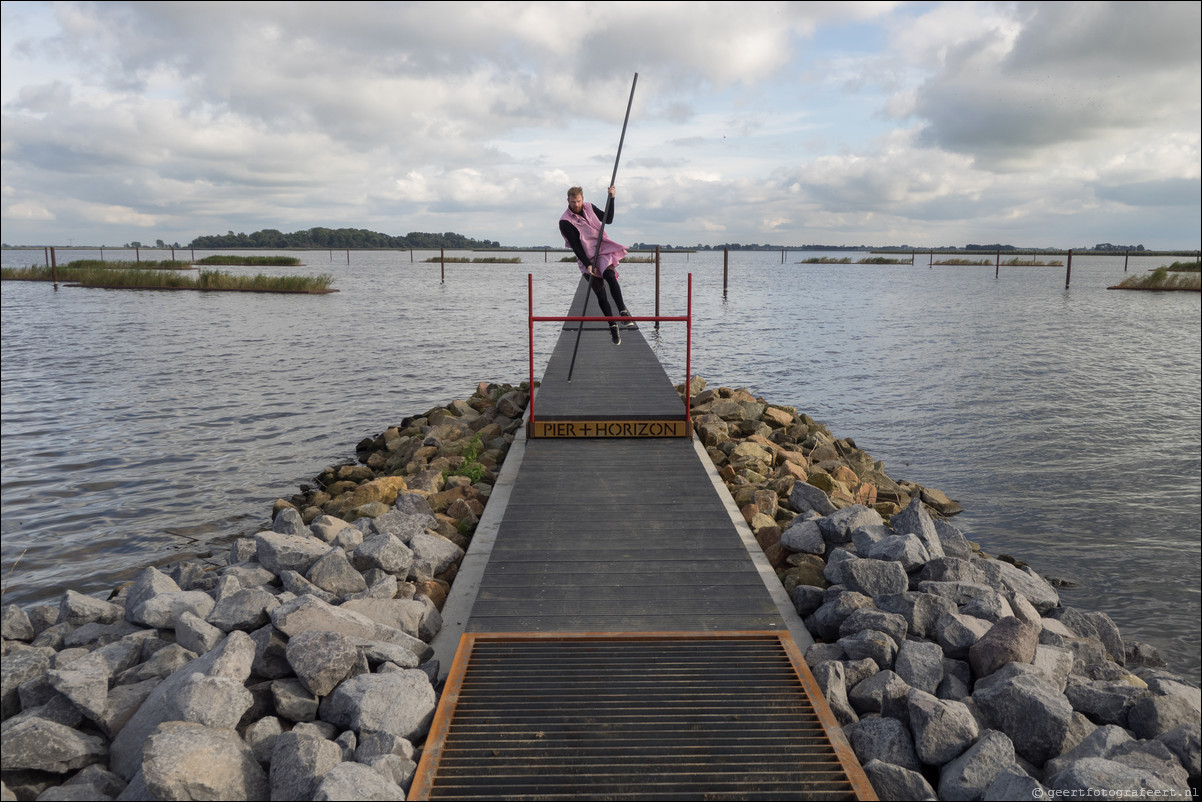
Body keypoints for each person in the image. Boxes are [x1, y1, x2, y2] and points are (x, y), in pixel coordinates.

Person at [559, 185, 635, 345]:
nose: (576, 205)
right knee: (600, 293)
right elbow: (576, 246)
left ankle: (623, 312)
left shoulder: (589, 207)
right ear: (568, 201)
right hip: (586, 256)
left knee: (609, 275)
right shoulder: (565, 221)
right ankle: (613, 326)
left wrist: (612, 198)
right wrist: (587, 264)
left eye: (578, 201)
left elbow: (608, 219)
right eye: (573, 202)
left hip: (602, 250)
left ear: (583, 199)